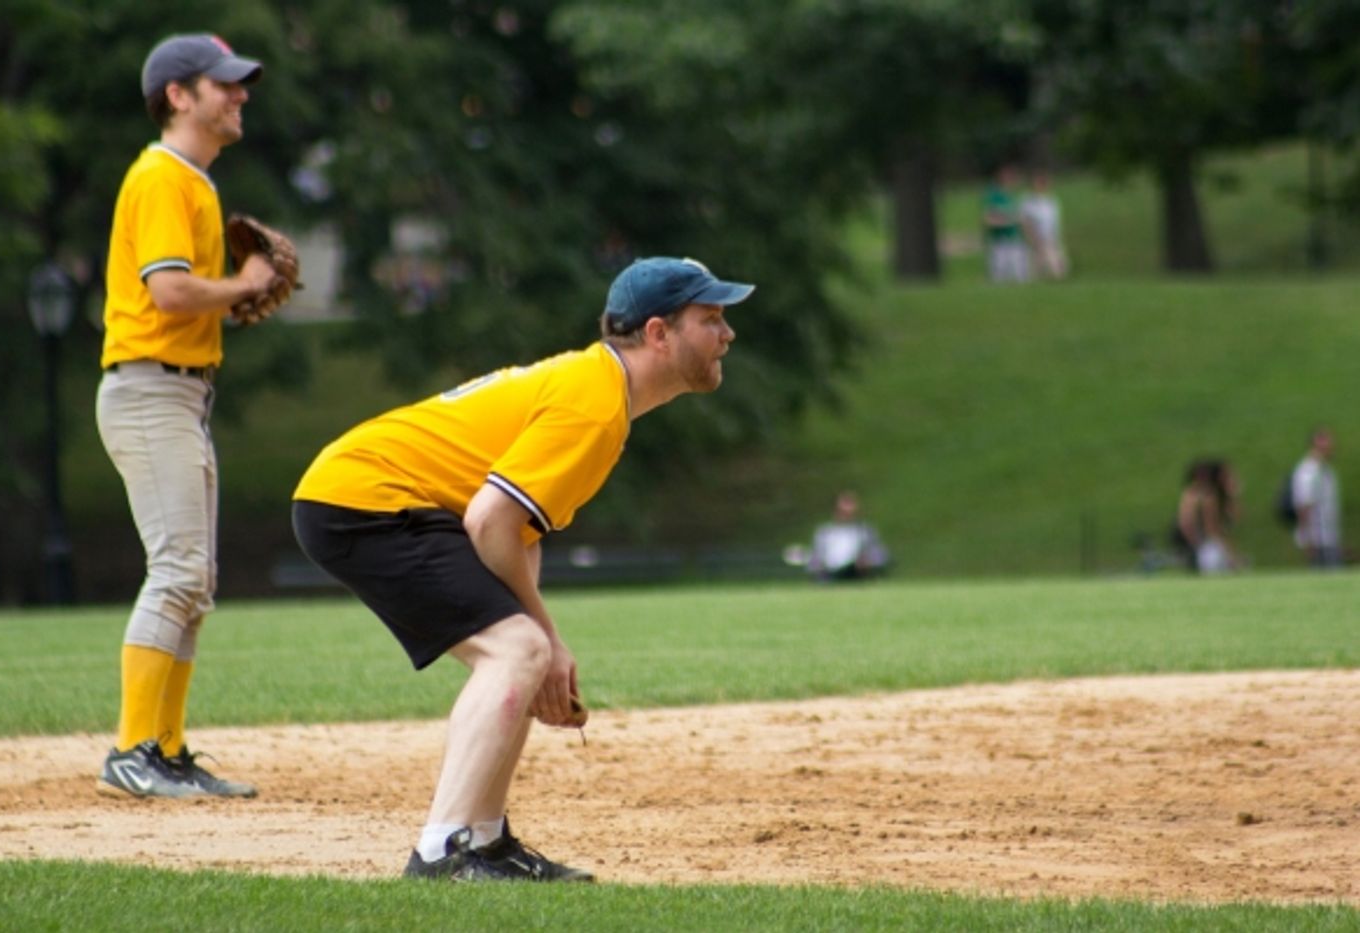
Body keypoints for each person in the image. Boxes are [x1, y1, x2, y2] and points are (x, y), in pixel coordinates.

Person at [291, 256, 754, 882]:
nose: (727, 333)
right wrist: (547, 641)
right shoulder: (594, 404)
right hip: (364, 500)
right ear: (658, 333)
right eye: (711, 318)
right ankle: (443, 852)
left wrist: (540, 640)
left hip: (367, 495)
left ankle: (484, 842)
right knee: (518, 651)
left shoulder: (597, 389)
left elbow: (518, 534)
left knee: (523, 651)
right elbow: (489, 521)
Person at [94, 34, 279, 799]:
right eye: (223, 84)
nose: (239, 95)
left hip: (180, 393)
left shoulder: (193, 182)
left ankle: (164, 749)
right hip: (149, 390)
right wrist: (244, 284)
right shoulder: (162, 176)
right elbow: (168, 292)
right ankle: (131, 751)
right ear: (178, 95)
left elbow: (179, 297)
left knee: (194, 581)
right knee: (176, 571)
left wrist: (233, 296)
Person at [1172, 458, 1239, 574]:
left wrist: (1232, 496)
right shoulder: (1206, 497)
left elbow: (1236, 516)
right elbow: (1211, 528)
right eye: (1227, 476)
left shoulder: (1215, 497)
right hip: (1207, 545)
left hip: (1207, 543)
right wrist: (1230, 554)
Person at [807, 490, 890, 581]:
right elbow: (814, 559)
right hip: (829, 573)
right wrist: (819, 567)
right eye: (842, 512)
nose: (846, 516)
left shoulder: (864, 532)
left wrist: (868, 561)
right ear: (835, 511)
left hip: (856, 573)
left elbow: (880, 556)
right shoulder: (824, 533)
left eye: (849, 513)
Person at [1290, 428, 1344, 567]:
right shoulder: (1308, 472)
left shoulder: (1327, 471)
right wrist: (1307, 539)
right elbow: (1303, 506)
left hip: (1329, 537)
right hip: (1318, 539)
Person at [982, 164, 1031, 283]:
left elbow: (1022, 220)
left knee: (1022, 275)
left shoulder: (1013, 197)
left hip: (1016, 240)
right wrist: (1010, 220)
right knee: (1000, 277)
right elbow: (988, 219)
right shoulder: (994, 197)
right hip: (1001, 242)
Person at [1019, 170, 1070, 281]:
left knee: (1057, 264)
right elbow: (1025, 221)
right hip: (1037, 238)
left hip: (1051, 237)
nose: (1041, 186)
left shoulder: (1051, 201)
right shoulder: (1028, 201)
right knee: (1042, 265)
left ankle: (1053, 282)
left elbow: (1054, 222)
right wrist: (1033, 238)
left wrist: (1055, 236)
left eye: (1043, 183)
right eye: (1039, 183)